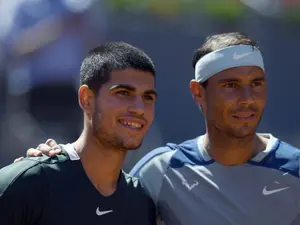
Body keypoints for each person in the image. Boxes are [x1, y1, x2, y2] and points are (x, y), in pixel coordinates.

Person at [14, 32, 300, 225]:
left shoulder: (296, 169)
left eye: (256, 85)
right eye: (230, 86)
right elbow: (95, 193)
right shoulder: (158, 172)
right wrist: (44, 164)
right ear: (198, 93)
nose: (247, 99)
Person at [0, 42, 158, 225]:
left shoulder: (141, 201)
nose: (139, 108)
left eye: (148, 97)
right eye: (123, 93)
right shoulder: (28, 183)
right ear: (87, 99)